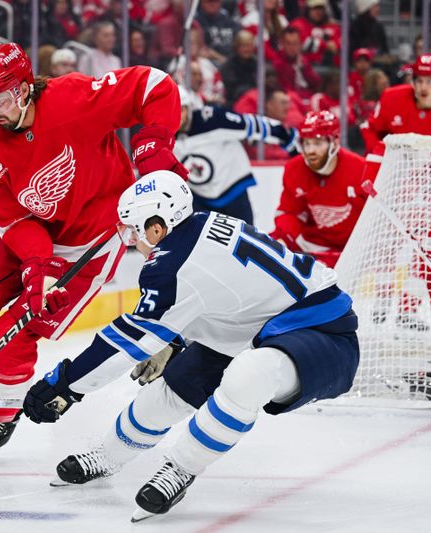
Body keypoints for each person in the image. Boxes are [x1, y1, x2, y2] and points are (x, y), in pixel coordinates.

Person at [0, 41, 188, 463]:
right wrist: (37, 264)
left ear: (22, 90)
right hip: (27, 236)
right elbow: (16, 221)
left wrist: (154, 141)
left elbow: (154, 84)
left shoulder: (74, 98)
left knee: (16, 332)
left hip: (89, 242)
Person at [22, 170, 359, 522]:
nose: (134, 240)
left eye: (136, 230)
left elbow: (129, 339)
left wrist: (66, 384)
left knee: (248, 375)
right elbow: (222, 292)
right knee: (165, 394)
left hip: (323, 334)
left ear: (156, 228)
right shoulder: (200, 223)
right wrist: (174, 339)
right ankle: (108, 456)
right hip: (262, 327)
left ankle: (181, 468)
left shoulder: (171, 263)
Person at [174, 87, 298, 222]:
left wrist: (285, 136)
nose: (176, 115)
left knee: (244, 238)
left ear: (189, 108)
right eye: (170, 110)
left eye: (181, 109)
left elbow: (250, 125)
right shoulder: (161, 133)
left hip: (231, 189)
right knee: (195, 240)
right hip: (197, 197)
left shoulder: (211, 120)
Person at [270, 110, 367, 267]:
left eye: (317, 143)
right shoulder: (294, 169)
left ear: (334, 142)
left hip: (354, 248)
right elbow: (290, 212)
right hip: (314, 246)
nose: (310, 151)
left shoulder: (361, 169)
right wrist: (283, 238)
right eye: (306, 143)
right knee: (268, 247)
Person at [360, 54, 431, 154]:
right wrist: (380, 154)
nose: (423, 87)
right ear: (413, 82)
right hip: (395, 169)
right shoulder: (392, 97)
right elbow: (368, 128)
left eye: (429, 81)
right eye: (419, 81)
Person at [290, 0, 340, 66]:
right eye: (315, 8)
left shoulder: (333, 27)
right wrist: (326, 46)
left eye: (321, 8)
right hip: (304, 68)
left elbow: (338, 48)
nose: (318, 12)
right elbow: (304, 44)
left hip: (329, 70)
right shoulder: (298, 24)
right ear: (308, 9)